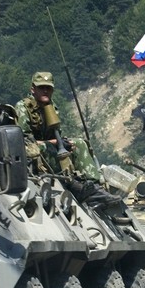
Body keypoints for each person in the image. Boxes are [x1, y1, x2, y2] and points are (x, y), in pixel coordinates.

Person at [15, 71, 119, 209]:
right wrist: (55, 143)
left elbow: (56, 134)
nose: (45, 90)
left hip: (49, 146)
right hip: (30, 150)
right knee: (47, 148)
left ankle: (93, 186)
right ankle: (77, 186)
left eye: (49, 88)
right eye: (41, 87)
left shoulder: (51, 107)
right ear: (33, 89)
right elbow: (24, 140)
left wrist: (64, 143)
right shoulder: (23, 108)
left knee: (79, 143)